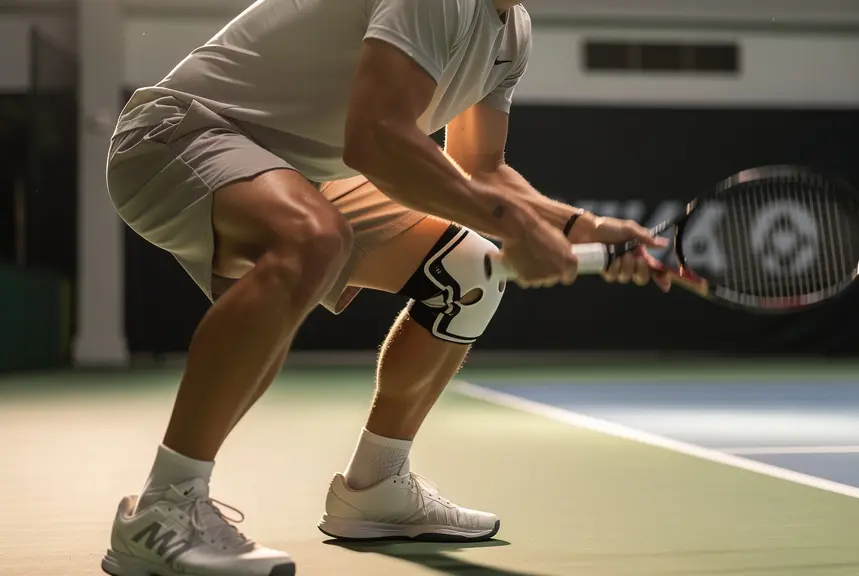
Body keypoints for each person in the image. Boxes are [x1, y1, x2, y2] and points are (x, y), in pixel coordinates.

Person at [101, 1, 671, 575]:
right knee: (314, 239)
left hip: (302, 171)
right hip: (179, 133)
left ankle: (376, 485)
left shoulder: (512, 32)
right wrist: (515, 226)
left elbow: (481, 167)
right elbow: (376, 139)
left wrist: (585, 228)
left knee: (468, 270)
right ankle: (164, 506)